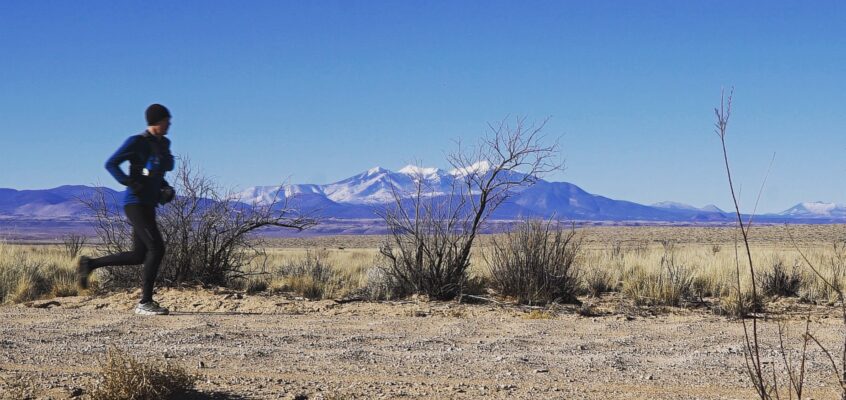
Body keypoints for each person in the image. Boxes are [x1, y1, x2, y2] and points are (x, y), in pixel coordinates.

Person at [78, 104, 176, 316]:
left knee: (138, 255)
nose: (169, 123)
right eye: (167, 120)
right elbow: (111, 163)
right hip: (135, 203)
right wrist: (129, 181)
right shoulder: (137, 142)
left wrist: (165, 188)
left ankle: (90, 264)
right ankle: (145, 302)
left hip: (149, 204)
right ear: (156, 121)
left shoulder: (164, 143)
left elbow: (157, 172)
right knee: (156, 248)